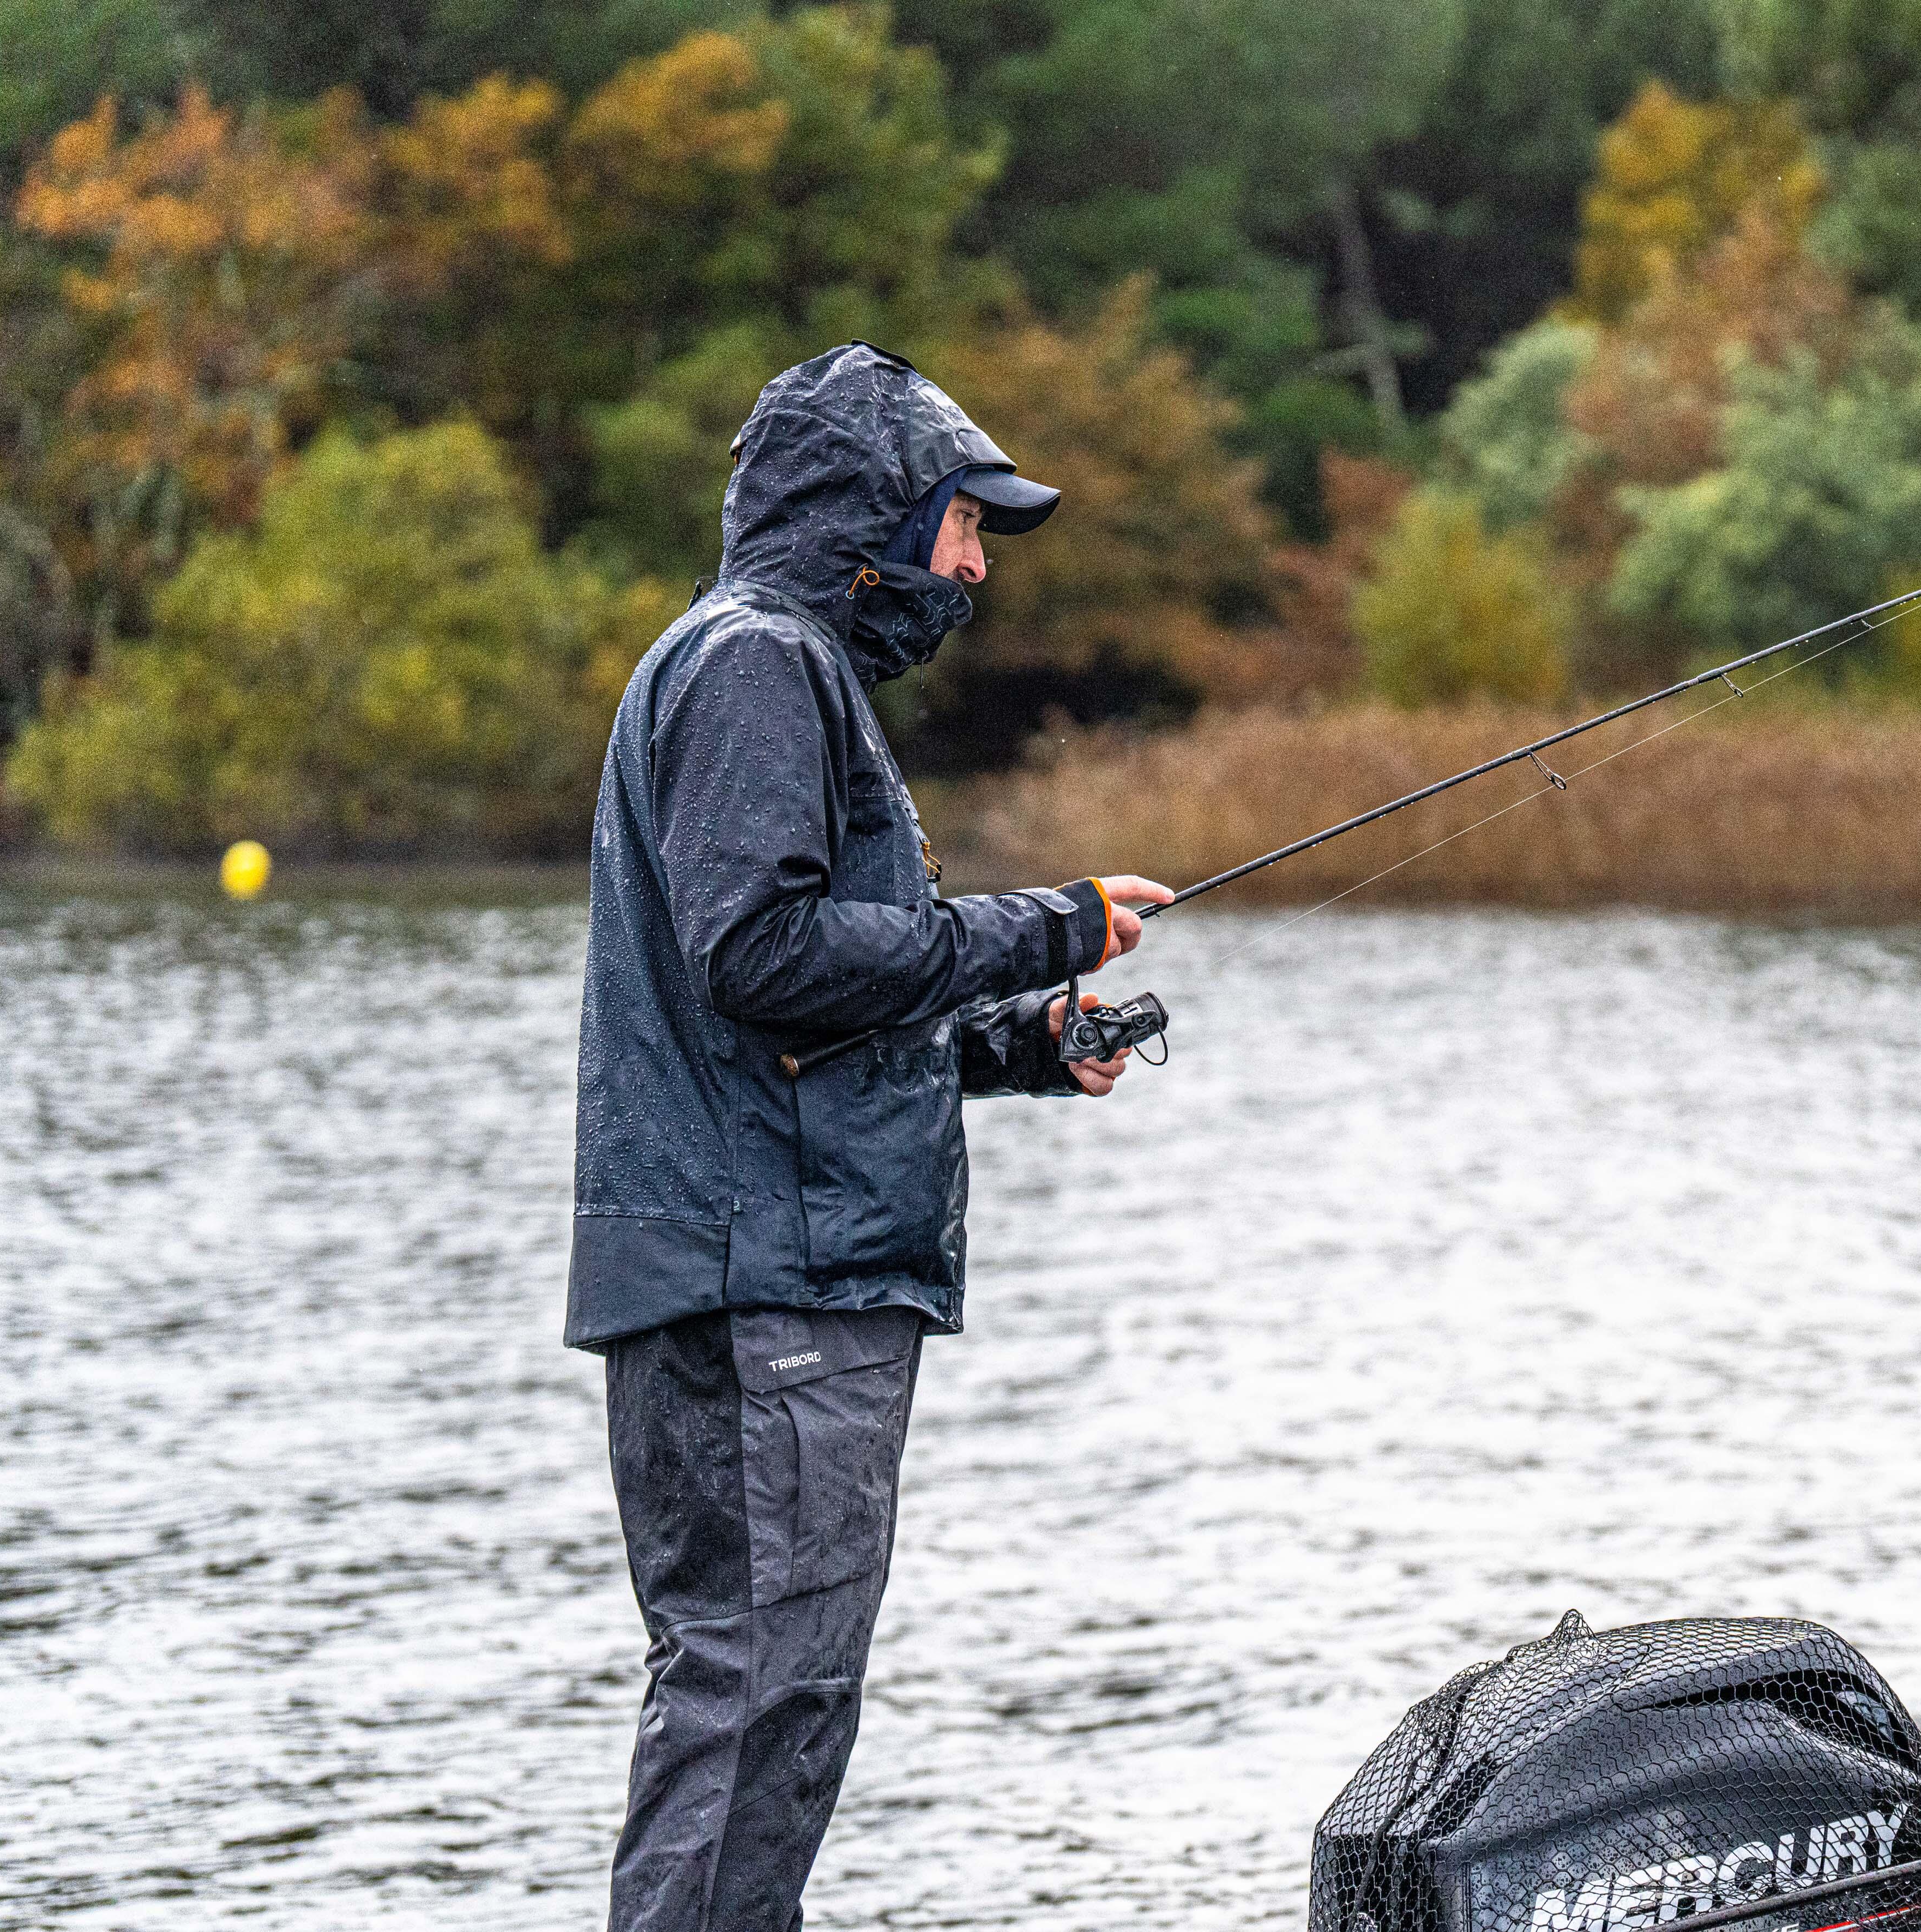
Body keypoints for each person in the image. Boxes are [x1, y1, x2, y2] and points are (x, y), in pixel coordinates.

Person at [564, 341, 1176, 1930]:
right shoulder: (760, 661)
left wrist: (1029, 1043)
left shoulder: (753, 664)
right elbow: (757, 957)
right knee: (765, 1700)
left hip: (755, 1276)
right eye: (964, 524)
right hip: (770, 1294)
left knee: (758, 1701)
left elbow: (787, 1017)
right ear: (871, 517)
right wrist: (1050, 927)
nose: (974, 565)